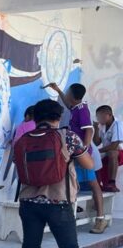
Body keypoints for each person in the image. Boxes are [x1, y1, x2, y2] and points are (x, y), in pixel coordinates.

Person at [15, 99, 113, 248]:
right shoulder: (67, 136)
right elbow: (89, 164)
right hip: (58, 203)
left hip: (28, 202)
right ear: (58, 117)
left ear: (36, 118)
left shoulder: (23, 139)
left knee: (30, 247)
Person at [46, 82, 107, 234]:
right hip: (75, 153)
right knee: (71, 183)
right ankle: (67, 218)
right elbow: (67, 104)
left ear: (72, 96)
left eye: (67, 92)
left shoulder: (82, 110)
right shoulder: (75, 107)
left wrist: (84, 149)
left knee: (93, 184)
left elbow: (89, 130)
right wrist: (58, 90)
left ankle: (101, 219)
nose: (66, 94)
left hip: (83, 155)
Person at [94, 105, 122, 192]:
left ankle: (112, 182)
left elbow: (114, 146)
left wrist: (97, 151)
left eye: (100, 117)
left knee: (112, 152)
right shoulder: (102, 126)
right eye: (97, 117)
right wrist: (96, 129)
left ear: (109, 115)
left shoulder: (117, 124)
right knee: (93, 157)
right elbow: (96, 143)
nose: (98, 119)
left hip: (120, 152)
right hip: (107, 153)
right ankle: (100, 185)